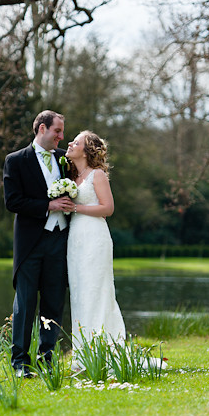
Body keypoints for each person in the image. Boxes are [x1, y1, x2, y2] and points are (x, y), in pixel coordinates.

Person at [3, 110, 76, 377]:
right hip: (30, 244)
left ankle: (47, 359)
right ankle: (20, 363)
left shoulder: (64, 159)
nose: (62, 136)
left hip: (60, 240)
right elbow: (12, 202)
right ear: (42, 129)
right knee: (25, 303)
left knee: (54, 302)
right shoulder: (15, 161)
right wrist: (48, 205)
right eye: (58, 131)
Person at [64, 130, 126, 365]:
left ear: (86, 150)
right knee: (80, 293)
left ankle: (104, 352)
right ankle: (83, 355)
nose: (70, 143)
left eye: (76, 142)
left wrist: (75, 209)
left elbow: (107, 208)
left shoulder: (96, 175)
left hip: (94, 237)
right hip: (75, 239)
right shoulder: (71, 176)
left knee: (96, 291)